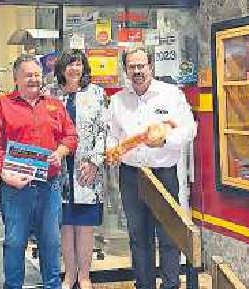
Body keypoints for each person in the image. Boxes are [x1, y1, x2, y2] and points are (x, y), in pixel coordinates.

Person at [106, 49, 196, 289]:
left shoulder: (171, 94)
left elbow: (189, 129)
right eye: (132, 67)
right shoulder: (118, 101)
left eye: (141, 66)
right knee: (138, 236)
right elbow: (112, 134)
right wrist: (112, 150)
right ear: (125, 70)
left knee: (169, 235)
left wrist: (166, 140)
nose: (137, 71)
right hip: (131, 176)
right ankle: (144, 284)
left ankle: (170, 285)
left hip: (163, 175)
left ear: (151, 66)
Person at [0, 54, 78, 289]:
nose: (34, 80)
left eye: (37, 75)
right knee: (15, 243)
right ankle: (13, 286)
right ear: (16, 78)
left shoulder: (54, 104)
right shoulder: (2, 105)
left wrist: (61, 151)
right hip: (15, 188)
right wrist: (4, 174)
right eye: (28, 75)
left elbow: (71, 135)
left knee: (50, 242)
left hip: (50, 186)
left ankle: (52, 286)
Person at [43, 49, 107, 289]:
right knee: (65, 224)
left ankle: (85, 276)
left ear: (84, 67)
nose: (74, 69)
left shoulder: (96, 93)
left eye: (78, 64)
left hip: (85, 167)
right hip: (57, 167)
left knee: (84, 224)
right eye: (69, 65)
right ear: (60, 69)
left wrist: (94, 161)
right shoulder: (50, 94)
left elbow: (103, 130)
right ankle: (69, 274)